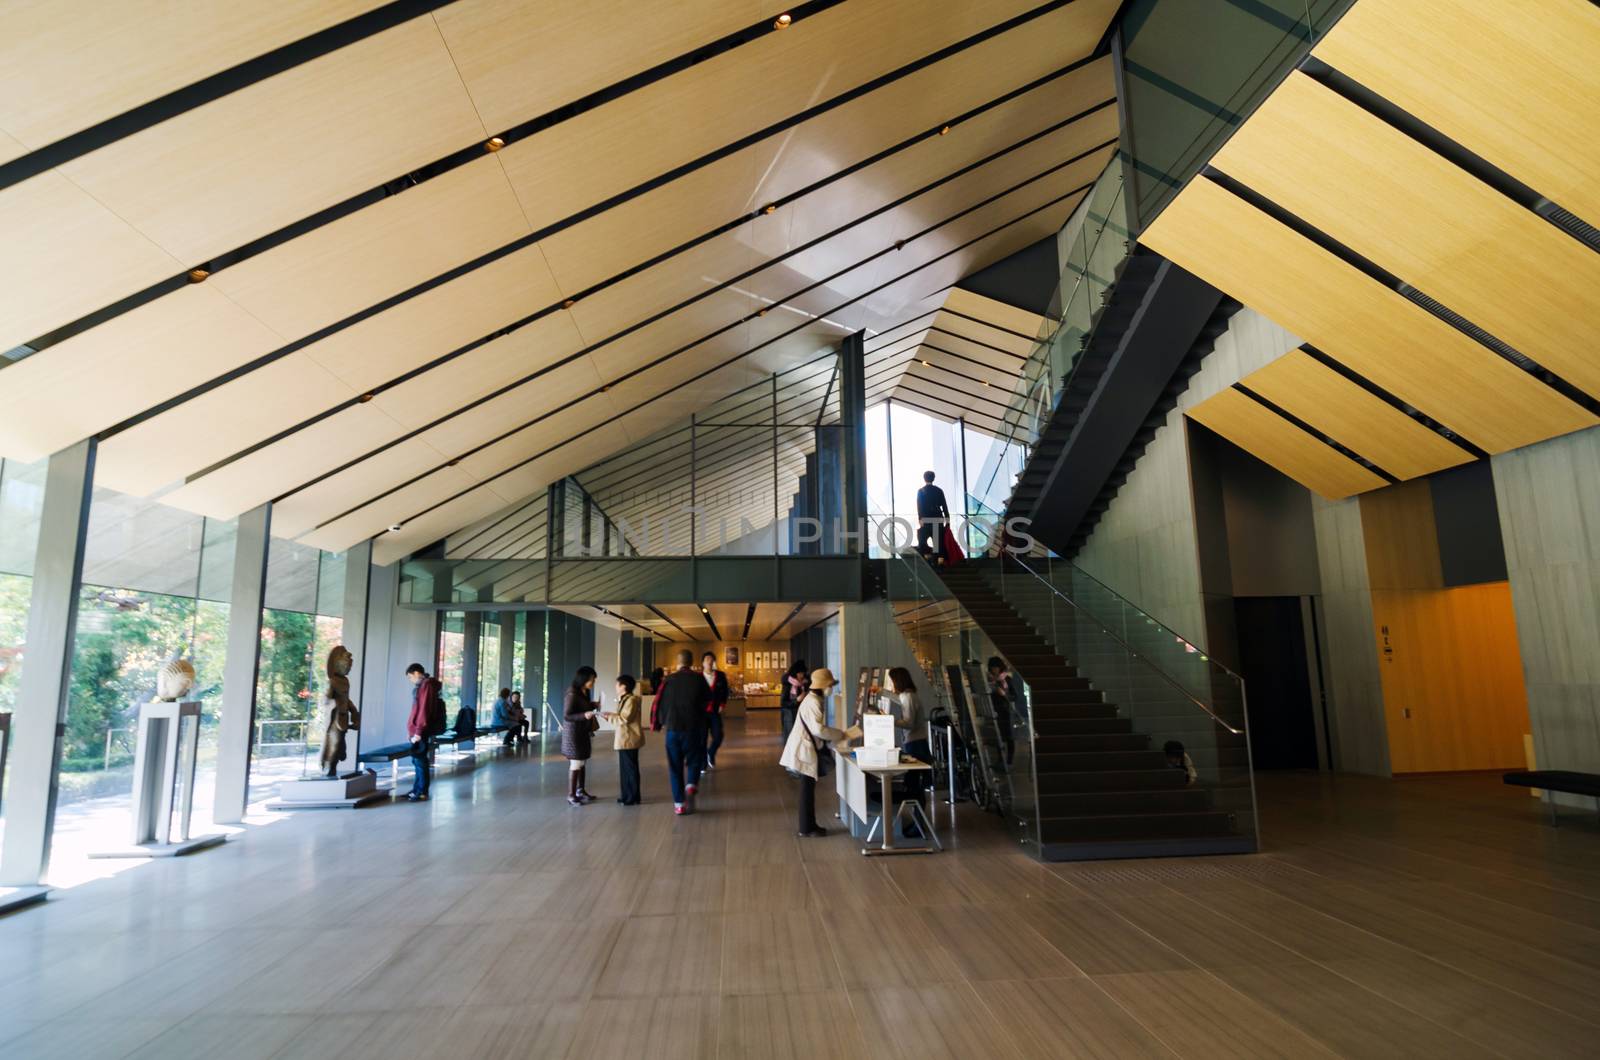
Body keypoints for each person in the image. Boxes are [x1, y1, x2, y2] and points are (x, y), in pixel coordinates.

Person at [779, 668, 853, 837]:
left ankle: (808, 826)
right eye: (830, 685)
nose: (831, 689)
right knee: (807, 790)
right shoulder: (814, 702)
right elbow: (818, 729)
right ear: (823, 686)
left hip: (805, 746)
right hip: (804, 748)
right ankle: (807, 827)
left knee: (808, 789)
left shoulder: (813, 699)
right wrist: (840, 734)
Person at [652, 649, 711, 814]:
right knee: (693, 759)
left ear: (678, 662)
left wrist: (662, 723)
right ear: (692, 662)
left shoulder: (668, 680)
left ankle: (679, 804)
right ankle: (691, 783)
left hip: (672, 729)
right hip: (692, 728)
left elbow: (659, 703)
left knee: (674, 766)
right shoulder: (698, 679)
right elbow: (708, 700)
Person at [887, 666, 931, 798]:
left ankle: (918, 816)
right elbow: (897, 698)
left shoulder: (908, 697)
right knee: (914, 782)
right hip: (916, 742)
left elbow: (909, 723)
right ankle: (918, 815)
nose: (890, 684)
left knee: (914, 783)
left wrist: (889, 720)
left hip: (915, 743)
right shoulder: (908, 695)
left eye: (891, 681)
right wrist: (881, 691)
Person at [403, 662, 444, 802]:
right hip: (417, 730)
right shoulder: (423, 685)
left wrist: (418, 731)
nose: (410, 680)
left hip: (421, 730)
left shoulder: (426, 685)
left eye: (410, 677)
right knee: (417, 760)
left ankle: (421, 791)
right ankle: (417, 789)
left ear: (416, 673)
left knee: (420, 761)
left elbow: (424, 709)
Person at [562, 666, 599, 806]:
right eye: (591, 680)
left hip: (583, 731)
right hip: (573, 734)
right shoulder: (572, 693)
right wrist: (584, 715)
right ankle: (571, 795)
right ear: (583, 679)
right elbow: (567, 715)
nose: (593, 682)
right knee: (576, 762)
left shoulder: (584, 691)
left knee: (582, 761)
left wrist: (592, 705)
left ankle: (581, 790)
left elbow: (582, 706)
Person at [605, 674, 644, 805]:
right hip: (625, 739)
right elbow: (622, 716)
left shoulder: (631, 700)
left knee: (630, 769)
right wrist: (610, 715)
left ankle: (632, 797)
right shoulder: (625, 699)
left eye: (617, 684)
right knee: (626, 770)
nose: (616, 687)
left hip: (629, 739)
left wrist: (609, 718)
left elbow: (625, 719)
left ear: (624, 686)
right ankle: (627, 795)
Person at [987, 656, 1017, 766]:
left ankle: (1009, 760)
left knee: (1009, 737)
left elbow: (1014, 696)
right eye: (992, 668)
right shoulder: (989, 680)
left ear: (1000, 667)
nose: (994, 670)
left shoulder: (1007, 679)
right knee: (997, 737)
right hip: (994, 711)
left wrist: (1004, 694)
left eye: (996, 667)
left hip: (1006, 712)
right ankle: (1000, 759)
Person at [701, 651, 730, 769]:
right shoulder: (698, 677)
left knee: (718, 735)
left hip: (714, 712)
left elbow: (725, 691)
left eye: (711, 659)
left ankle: (711, 753)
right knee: (702, 739)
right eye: (707, 659)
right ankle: (703, 765)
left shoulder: (720, 675)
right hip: (701, 714)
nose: (709, 661)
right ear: (703, 663)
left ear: (714, 662)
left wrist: (722, 704)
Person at [916, 470, 950, 563]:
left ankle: (928, 560)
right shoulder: (939, 490)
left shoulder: (921, 491)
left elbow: (919, 507)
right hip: (937, 518)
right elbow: (944, 506)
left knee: (923, 540)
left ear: (924, 479)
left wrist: (920, 519)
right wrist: (947, 520)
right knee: (938, 543)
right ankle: (940, 563)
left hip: (926, 519)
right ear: (933, 478)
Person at [779, 660, 808, 742]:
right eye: (800, 673)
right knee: (790, 738)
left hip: (799, 714)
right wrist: (797, 700)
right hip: (789, 716)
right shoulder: (788, 684)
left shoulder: (802, 684)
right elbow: (783, 703)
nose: (802, 676)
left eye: (803, 673)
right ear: (795, 673)